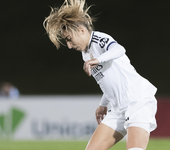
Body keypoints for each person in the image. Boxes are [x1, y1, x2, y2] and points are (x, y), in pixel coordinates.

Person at [43, 0, 157, 150]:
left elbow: (119, 49)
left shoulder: (98, 39)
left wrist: (99, 59)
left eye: (69, 39)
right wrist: (103, 104)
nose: (69, 46)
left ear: (81, 31)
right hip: (117, 109)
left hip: (137, 101)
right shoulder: (85, 53)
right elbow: (107, 81)